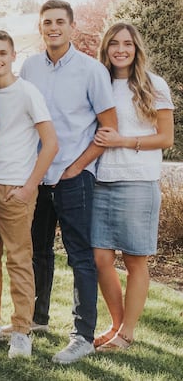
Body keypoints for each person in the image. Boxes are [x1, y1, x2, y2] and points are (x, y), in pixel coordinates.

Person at [20, 0, 116, 364]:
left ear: (72, 27)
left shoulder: (91, 71)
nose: (53, 28)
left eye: (60, 22)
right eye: (47, 22)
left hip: (74, 178)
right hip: (38, 176)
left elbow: (109, 127)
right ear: (40, 28)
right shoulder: (29, 67)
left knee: (81, 257)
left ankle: (82, 336)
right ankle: (37, 319)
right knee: (37, 252)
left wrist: (77, 167)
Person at [91, 23, 174, 351]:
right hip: (101, 181)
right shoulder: (100, 83)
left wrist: (123, 140)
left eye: (127, 43)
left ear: (136, 48)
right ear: (106, 48)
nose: (120, 49)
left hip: (138, 182)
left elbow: (166, 138)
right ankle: (117, 325)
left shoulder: (154, 85)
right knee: (100, 257)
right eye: (114, 43)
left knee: (136, 259)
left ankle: (126, 333)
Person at [0, 30, 58, 358]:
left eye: (2, 53)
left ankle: (22, 329)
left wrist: (29, 187)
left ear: (13, 56)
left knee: (20, 260)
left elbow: (51, 143)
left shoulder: (27, 92)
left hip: (15, 190)